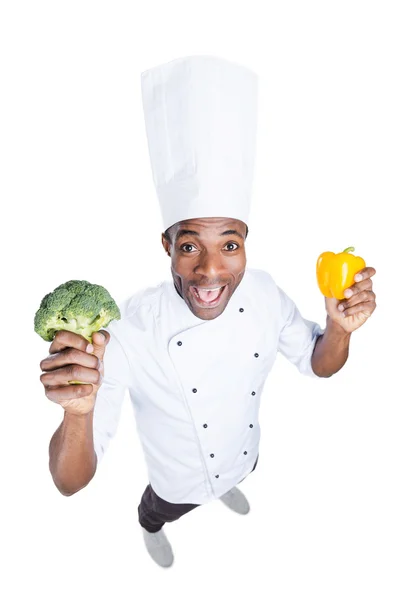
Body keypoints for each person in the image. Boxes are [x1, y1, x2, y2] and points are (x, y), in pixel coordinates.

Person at [40, 56, 377, 568]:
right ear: (167, 245)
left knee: (241, 473)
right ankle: (150, 525)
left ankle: (228, 487)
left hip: (246, 455)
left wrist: (338, 328)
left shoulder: (265, 293)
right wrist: (77, 412)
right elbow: (69, 482)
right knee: (161, 509)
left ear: (246, 245)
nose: (211, 271)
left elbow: (317, 364)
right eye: (191, 246)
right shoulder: (126, 330)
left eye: (230, 244)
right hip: (174, 480)